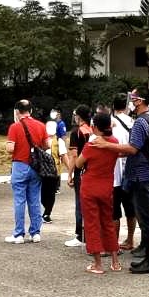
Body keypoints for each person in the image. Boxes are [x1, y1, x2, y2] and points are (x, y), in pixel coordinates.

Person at [72, 109, 128, 274]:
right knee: (108, 223)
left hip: (90, 187)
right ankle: (115, 262)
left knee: (92, 224)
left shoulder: (92, 144)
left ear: (95, 127)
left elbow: (79, 164)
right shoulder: (114, 141)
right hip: (106, 186)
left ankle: (97, 264)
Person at [122, 90, 149, 273]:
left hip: (143, 176)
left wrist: (108, 147)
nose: (130, 102)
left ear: (139, 101)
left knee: (148, 220)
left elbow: (133, 149)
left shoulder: (140, 122)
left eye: (133, 99)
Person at [4, 100, 47, 244]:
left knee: (19, 200)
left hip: (20, 165)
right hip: (36, 166)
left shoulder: (15, 127)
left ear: (17, 111)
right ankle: (35, 233)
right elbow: (46, 145)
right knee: (35, 199)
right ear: (31, 111)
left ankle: (19, 234)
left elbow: (10, 148)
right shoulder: (41, 126)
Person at [109, 94, 139, 254]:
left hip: (113, 172)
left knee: (114, 210)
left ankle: (113, 243)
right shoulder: (134, 122)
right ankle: (130, 239)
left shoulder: (110, 123)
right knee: (130, 207)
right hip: (130, 171)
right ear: (127, 106)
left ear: (113, 106)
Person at [66, 106, 92, 248]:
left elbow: (74, 156)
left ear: (79, 117)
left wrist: (70, 174)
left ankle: (80, 235)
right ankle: (91, 233)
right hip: (92, 170)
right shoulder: (92, 130)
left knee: (80, 204)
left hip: (80, 172)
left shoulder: (76, 132)